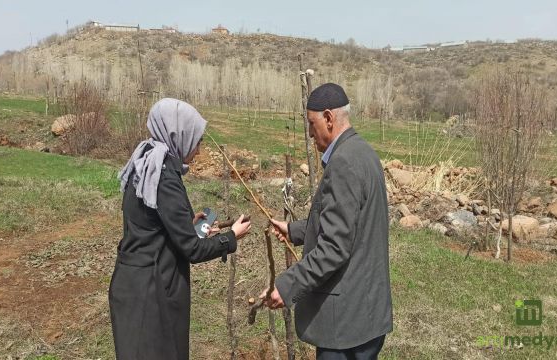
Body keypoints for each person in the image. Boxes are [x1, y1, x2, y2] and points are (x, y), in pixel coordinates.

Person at [109, 98, 251, 360]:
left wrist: (187, 225)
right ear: (179, 135)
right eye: (196, 140)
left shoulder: (145, 164)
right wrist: (231, 237)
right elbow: (192, 249)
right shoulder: (163, 176)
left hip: (133, 285)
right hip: (151, 297)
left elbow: (150, 224)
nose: (198, 150)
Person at [263, 83, 393, 359]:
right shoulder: (365, 154)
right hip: (367, 313)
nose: (310, 133)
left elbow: (334, 247)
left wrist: (287, 286)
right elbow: (352, 224)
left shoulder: (344, 163)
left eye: (312, 124)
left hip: (345, 325)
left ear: (329, 118)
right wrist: (295, 230)